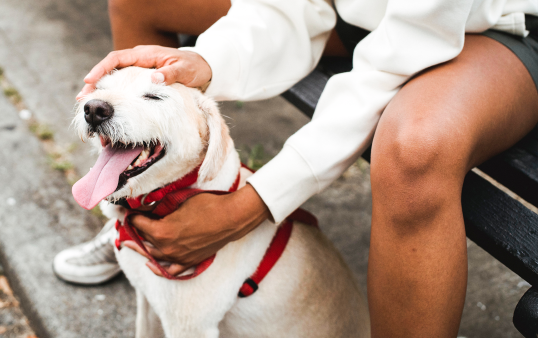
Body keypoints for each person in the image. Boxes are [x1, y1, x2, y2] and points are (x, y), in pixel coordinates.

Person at [53, 0, 538, 336]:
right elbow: (290, 7)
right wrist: (203, 60)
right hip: (360, 13)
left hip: (489, 25)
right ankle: (139, 204)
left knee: (415, 148)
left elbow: (406, 49)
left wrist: (255, 203)